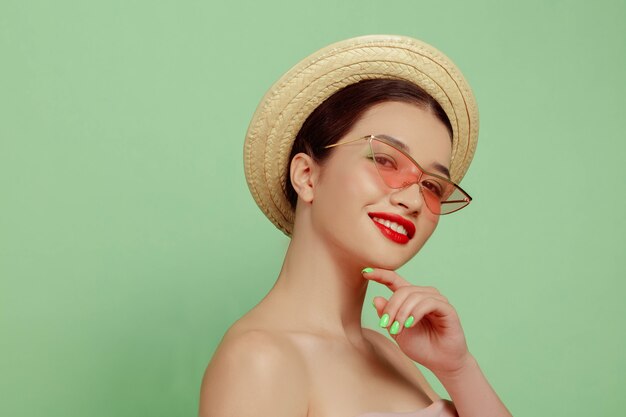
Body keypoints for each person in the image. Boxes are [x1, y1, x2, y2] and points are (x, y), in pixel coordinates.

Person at [199, 35, 512, 417]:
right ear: (307, 176)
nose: (413, 200)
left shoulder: (388, 352)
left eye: (432, 185)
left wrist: (459, 368)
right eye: (385, 160)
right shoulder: (260, 360)